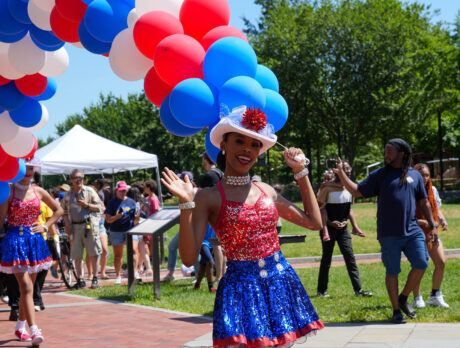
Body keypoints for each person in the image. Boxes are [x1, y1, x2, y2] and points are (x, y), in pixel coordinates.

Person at [161, 105, 324, 347]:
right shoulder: (208, 196)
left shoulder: (266, 190)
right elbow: (188, 258)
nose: (247, 149)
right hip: (240, 291)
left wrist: (301, 172)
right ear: (223, 144)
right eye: (239, 141)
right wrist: (186, 204)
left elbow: (314, 222)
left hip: (280, 282)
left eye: (255, 144)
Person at [333, 138, 436, 324]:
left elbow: (423, 201)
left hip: (412, 230)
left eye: (390, 151)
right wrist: (341, 173)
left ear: (401, 153)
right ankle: (396, 310)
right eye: (385, 151)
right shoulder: (380, 175)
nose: (386, 154)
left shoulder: (415, 175)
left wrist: (432, 224)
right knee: (392, 271)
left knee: (421, 263)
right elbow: (357, 191)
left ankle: (403, 298)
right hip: (389, 232)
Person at [0, 159, 63, 344]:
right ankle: (34, 330)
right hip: (15, 242)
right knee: (26, 287)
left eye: (31, 168)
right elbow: (1, 219)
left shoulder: (39, 191)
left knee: (29, 289)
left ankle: (20, 327)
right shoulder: (9, 191)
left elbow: (59, 210)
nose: (28, 172)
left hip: (35, 242)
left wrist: (45, 226)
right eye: (25, 168)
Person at [316, 161, 372, 298]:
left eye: (348, 169)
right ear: (336, 170)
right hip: (329, 228)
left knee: (350, 258)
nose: (347, 171)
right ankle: (321, 291)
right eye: (344, 168)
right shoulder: (326, 188)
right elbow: (320, 209)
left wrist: (352, 225)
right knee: (326, 259)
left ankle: (358, 290)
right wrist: (330, 224)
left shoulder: (350, 188)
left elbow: (349, 209)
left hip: (343, 229)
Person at [412, 163, 449, 308]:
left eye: (427, 175)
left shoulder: (432, 189)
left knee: (441, 262)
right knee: (419, 265)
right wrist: (426, 222)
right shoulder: (410, 190)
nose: (424, 178)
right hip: (416, 232)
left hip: (432, 232)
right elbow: (408, 216)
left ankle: (435, 295)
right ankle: (417, 297)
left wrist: (442, 220)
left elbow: (436, 208)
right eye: (421, 175)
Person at [62, 169, 102, 289]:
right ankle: (80, 280)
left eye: (81, 177)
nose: (78, 180)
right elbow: (63, 212)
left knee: (94, 253)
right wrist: (67, 225)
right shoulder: (68, 194)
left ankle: (95, 278)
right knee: (76, 255)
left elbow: (100, 207)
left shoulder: (90, 191)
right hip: (74, 227)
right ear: (71, 180)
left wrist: (87, 205)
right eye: (75, 178)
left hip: (89, 225)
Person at [163, 172, 197, 282]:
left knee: (198, 251)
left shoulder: (197, 192)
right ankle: (172, 273)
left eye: (179, 179)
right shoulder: (186, 192)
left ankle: (197, 275)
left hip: (196, 227)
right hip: (189, 226)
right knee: (174, 247)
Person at [105, 181, 141, 284]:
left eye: (124, 191)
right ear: (117, 190)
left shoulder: (131, 202)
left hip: (130, 229)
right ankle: (118, 276)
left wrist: (137, 218)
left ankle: (134, 272)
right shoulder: (112, 202)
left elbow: (135, 218)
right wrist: (117, 217)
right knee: (118, 255)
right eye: (121, 191)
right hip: (116, 230)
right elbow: (108, 220)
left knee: (134, 250)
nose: (123, 193)